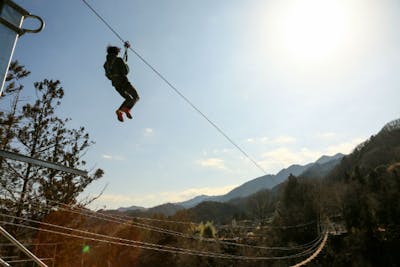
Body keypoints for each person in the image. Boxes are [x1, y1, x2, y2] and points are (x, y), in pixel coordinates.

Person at [104, 43, 139, 122]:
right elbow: (125, 71)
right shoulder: (118, 59)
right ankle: (127, 109)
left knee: (128, 99)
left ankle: (120, 111)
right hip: (124, 82)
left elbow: (108, 76)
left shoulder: (105, 65)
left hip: (116, 85)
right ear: (116, 52)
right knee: (136, 97)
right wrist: (125, 65)